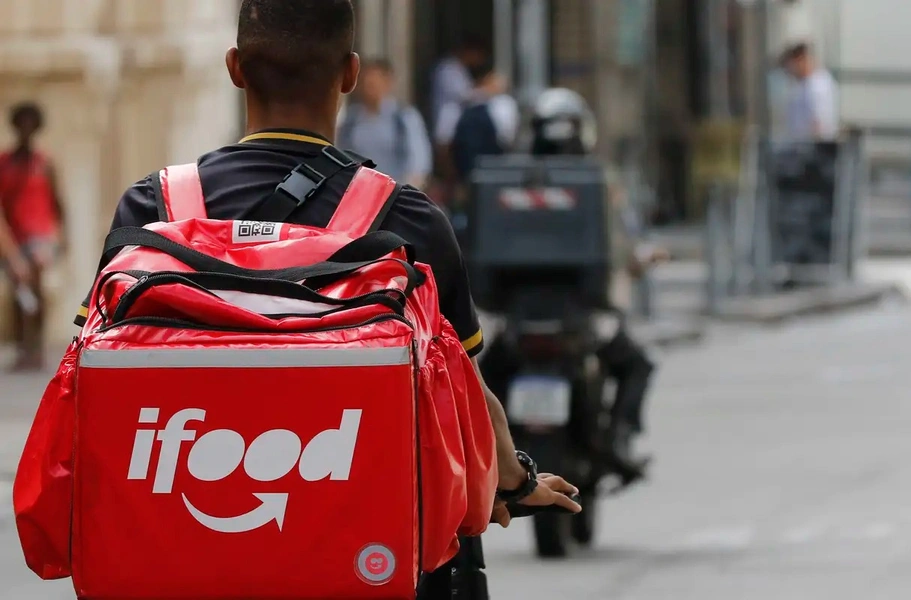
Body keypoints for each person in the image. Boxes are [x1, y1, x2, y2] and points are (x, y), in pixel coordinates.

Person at [74, 1, 581, 597]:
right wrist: (516, 480)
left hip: (178, 559)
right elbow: (465, 390)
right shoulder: (407, 222)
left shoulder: (153, 208)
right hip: (361, 565)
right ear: (350, 74)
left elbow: (84, 377)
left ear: (235, 68)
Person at [480, 88, 664, 482]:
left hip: (517, 318)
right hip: (579, 317)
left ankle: (477, 452)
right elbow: (622, 246)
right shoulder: (597, 183)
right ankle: (619, 440)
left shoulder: (505, 182)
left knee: (481, 380)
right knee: (637, 365)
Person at [1, 102, 65, 372]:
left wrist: (60, 240)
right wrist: (10, 251)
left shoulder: (45, 163)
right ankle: (22, 348)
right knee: (20, 293)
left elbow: (58, 205)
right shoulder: (4, 164)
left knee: (37, 288)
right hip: (13, 239)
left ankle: (36, 348)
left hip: (40, 239)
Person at [337, 58, 433, 189]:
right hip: (360, 191)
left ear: (387, 83)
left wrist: (406, 192)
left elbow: (418, 162)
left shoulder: (403, 118)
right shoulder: (351, 120)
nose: (369, 88)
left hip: (395, 191)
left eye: (374, 84)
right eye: (365, 83)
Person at [434, 59, 519, 185]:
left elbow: (506, 137)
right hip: (469, 162)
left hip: (492, 162)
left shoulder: (503, 105)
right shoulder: (469, 106)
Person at [779, 43, 839, 143]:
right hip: (802, 145)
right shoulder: (803, 84)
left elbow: (818, 123)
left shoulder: (817, 85)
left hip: (814, 146)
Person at [430, 36, 488, 131]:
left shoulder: (461, 68)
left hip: (460, 123)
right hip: (448, 123)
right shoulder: (448, 68)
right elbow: (463, 95)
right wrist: (487, 90)